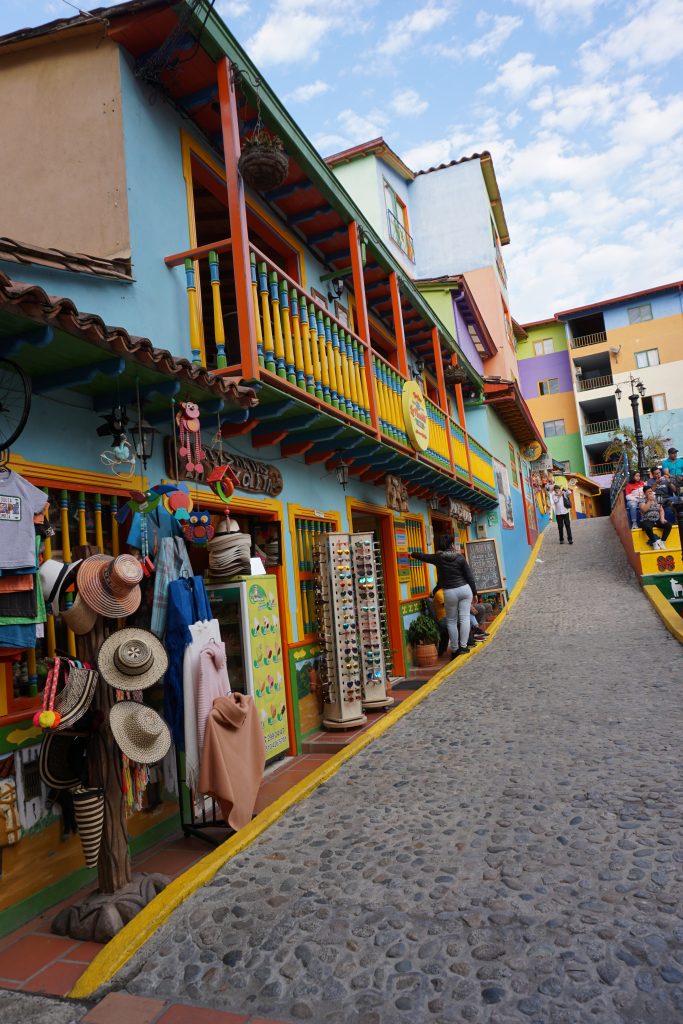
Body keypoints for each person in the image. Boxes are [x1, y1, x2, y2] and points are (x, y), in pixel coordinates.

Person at [411, 535, 477, 659]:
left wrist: (412, 553)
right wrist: (474, 593)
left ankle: (455, 649)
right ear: (452, 544)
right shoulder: (460, 557)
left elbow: (424, 556)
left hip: (450, 591)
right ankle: (463, 647)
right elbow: (469, 576)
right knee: (464, 618)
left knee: (451, 621)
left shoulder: (438, 558)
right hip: (464, 589)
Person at [639, 485, 671, 550]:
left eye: (651, 491)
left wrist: (662, 518)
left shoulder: (657, 498)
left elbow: (661, 510)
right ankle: (654, 542)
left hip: (657, 519)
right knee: (647, 527)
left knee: (668, 525)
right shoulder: (641, 500)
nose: (650, 493)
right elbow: (644, 509)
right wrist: (649, 501)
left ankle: (662, 542)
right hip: (647, 519)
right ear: (644, 493)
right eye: (648, 492)